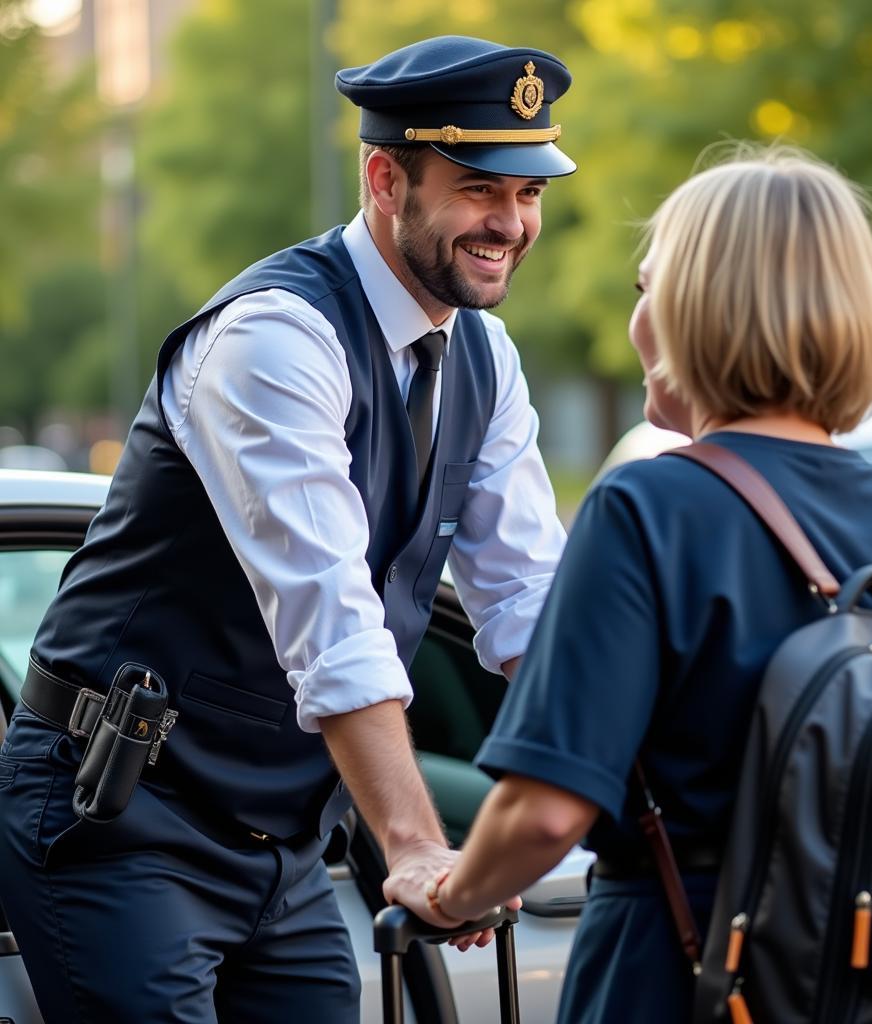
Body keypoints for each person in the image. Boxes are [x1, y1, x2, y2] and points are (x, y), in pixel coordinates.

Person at [0, 36, 574, 1023]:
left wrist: (642, 797)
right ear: (385, 177)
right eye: (481, 188)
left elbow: (528, 609)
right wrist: (416, 846)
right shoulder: (276, 336)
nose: (510, 223)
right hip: (121, 813)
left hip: (282, 840)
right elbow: (332, 619)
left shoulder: (484, 355)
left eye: (528, 194)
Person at [410, 145, 872, 1021]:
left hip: (676, 971)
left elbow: (545, 812)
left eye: (647, 291)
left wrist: (451, 893)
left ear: (696, 308)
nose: (637, 322)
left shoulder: (652, 507)